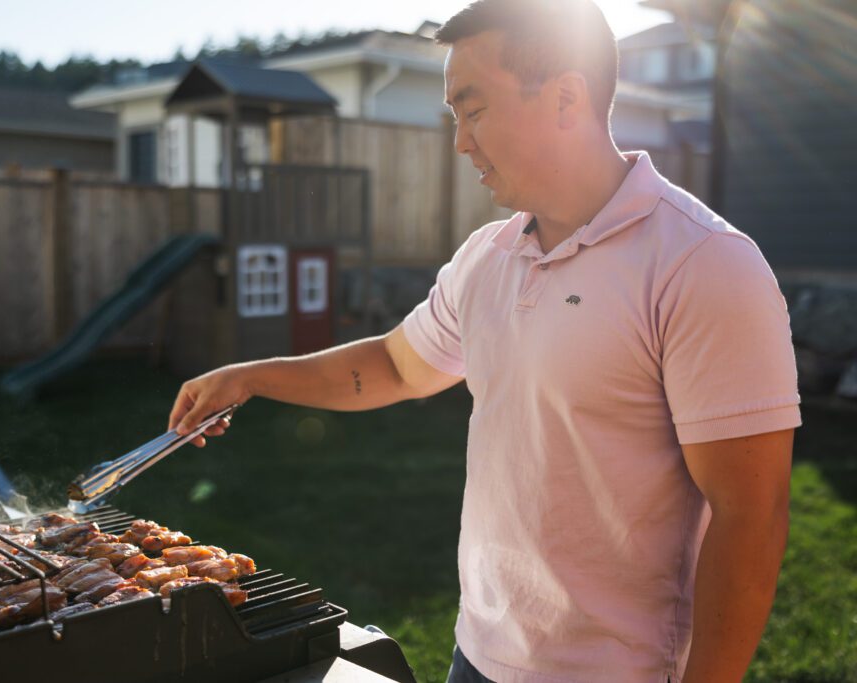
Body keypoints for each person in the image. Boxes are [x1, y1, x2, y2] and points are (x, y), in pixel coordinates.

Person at [168, 1, 801, 681]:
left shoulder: (703, 264)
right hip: (479, 654)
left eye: (472, 110)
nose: (460, 142)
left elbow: (750, 515)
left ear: (564, 98)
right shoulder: (486, 257)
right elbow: (394, 364)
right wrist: (253, 375)